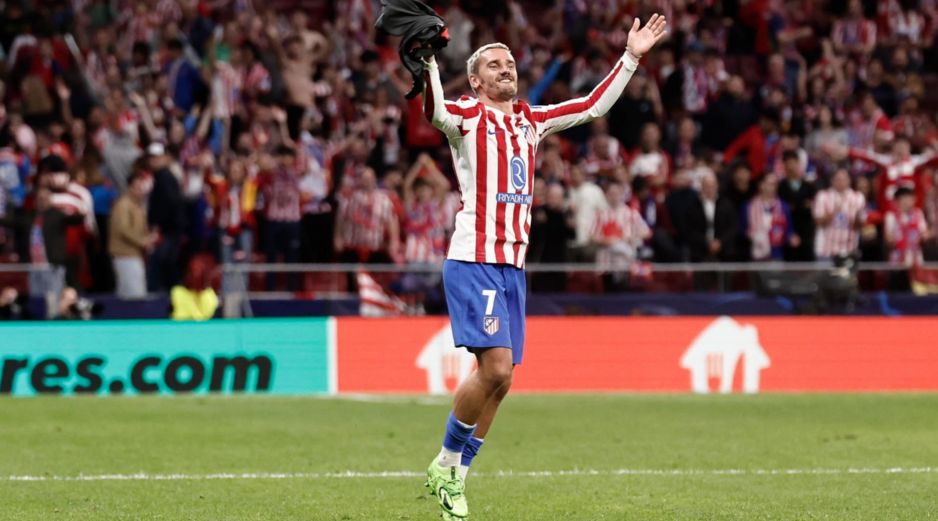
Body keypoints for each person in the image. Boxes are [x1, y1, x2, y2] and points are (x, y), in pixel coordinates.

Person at [420, 13, 667, 520]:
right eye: (493, 63)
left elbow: (593, 106)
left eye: (509, 61)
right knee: (495, 366)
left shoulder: (532, 121)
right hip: (475, 259)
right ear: (476, 79)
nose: (505, 67)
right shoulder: (467, 116)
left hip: (512, 266)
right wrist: (426, 63)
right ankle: (445, 463)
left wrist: (631, 57)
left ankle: (457, 479)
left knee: (503, 380)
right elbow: (435, 111)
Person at [109, 169, 156, 298]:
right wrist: (144, 241)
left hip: (134, 254)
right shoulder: (123, 205)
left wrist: (148, 237)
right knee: (133, 295)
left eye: (142, 187)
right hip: (124, 255)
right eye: (137, 187)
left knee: (135, 292)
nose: (140, 190)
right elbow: (123, 229)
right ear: (130, 187)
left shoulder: (137, 205)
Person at [813, 168, 866, 260]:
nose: (841, 182)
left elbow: (860, 225)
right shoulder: (822, 196)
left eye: (844, 179)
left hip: (849, 250)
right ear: (832, 181)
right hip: (826, 250)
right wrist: (835, 211)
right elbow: (818, 221)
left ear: (849, 181)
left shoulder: (858, 197)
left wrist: (857, 218)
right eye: (838, 179)